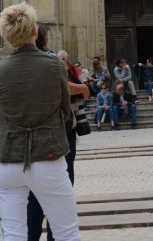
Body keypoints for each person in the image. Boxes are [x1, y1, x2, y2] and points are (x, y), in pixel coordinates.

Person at [0, 2, 81, 241]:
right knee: (66, 231)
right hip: (47, 155)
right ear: (34, 31)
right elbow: (64, 109)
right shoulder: (54, 66)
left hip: (7, 158)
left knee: (14, 234)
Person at [27, 28, 89, 241]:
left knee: (33, 192)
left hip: (28, 136)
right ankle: (54, 236)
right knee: (61, 186)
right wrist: (82, 88)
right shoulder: (52, 61)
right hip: (58, 132)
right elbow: (64, 89)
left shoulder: (10, 64)